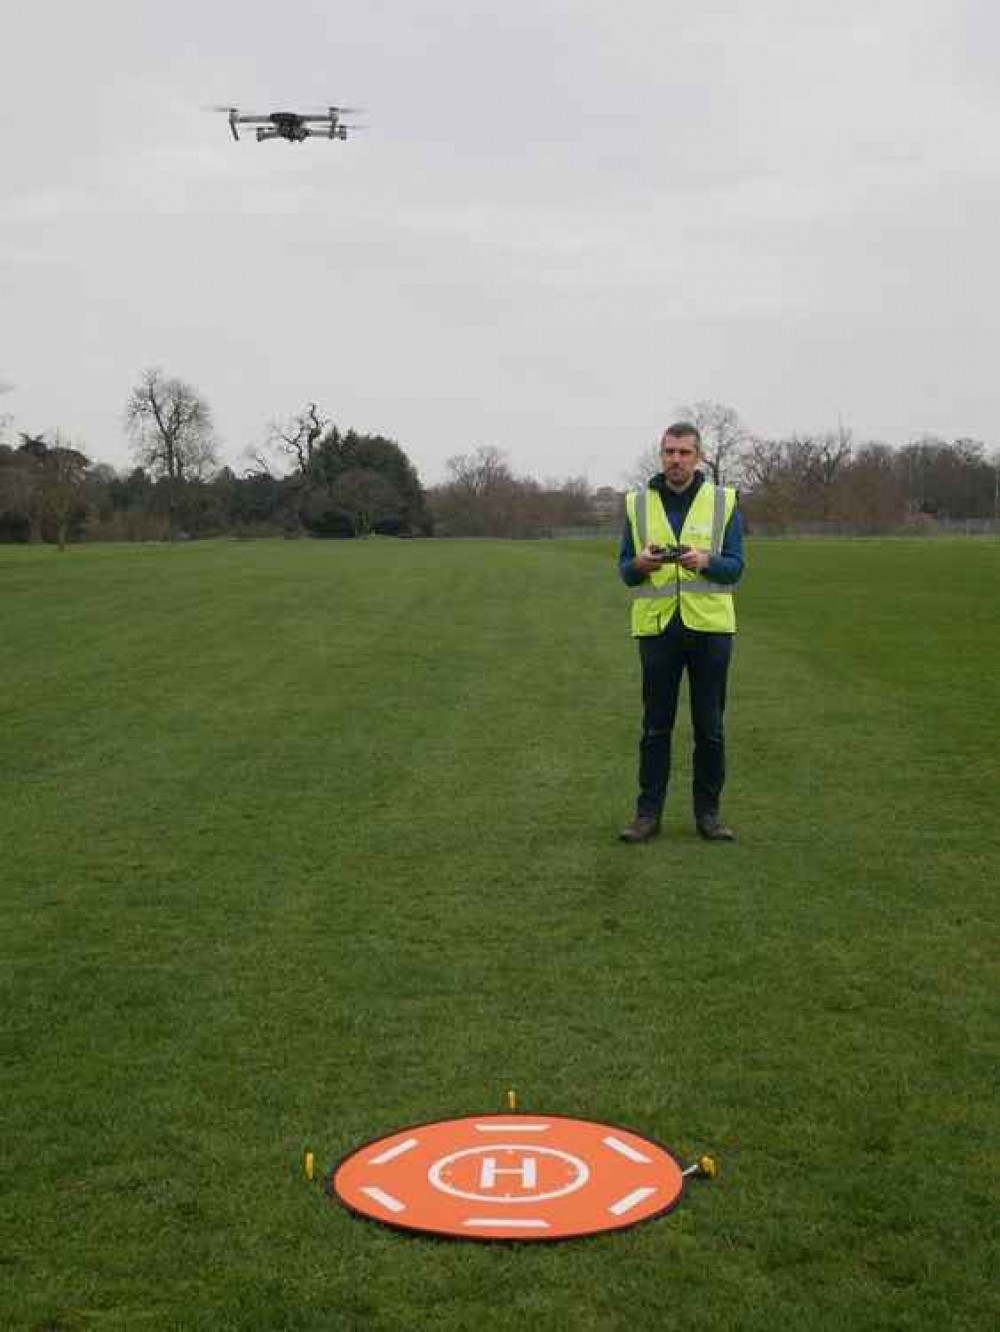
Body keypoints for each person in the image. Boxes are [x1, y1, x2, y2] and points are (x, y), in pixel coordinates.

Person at [618, 423, 745, 843]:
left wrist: (704, 561)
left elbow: (736, 568)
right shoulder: (637, 504)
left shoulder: (724, 502)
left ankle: (708, 816)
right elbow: (625, 572)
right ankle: (646, 815)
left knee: (710, 728)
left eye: (684, 452)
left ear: (698, 457)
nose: (676, 459)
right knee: (656, 726)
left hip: (709, 630)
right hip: (658, 630)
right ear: (661, 455)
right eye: (669, 452)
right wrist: (639, 565)